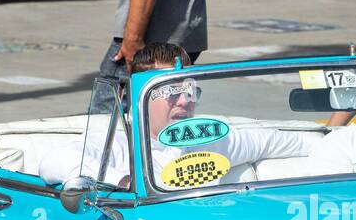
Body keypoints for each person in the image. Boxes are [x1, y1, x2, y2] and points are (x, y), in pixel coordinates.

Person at [40, 43, 307, 188]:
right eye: (169, 91)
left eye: (189, 90)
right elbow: (53, 162)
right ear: (137, 98)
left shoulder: (208, 140)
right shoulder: (116, 143)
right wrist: (122, 182)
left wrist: (343, 139)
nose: (183, 101)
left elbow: (280, 142)